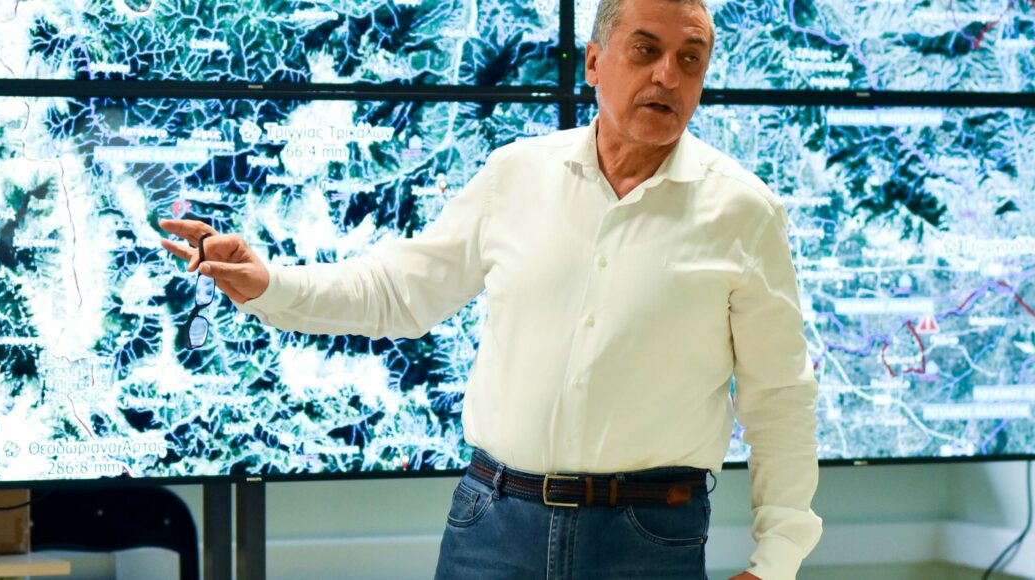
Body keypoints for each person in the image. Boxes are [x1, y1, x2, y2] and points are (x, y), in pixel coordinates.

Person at [160, 0, 822, 576]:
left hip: (647, 540)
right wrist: (269, 284)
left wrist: (777, 562)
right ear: (594, 62)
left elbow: (780, 397)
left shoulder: (744, 213)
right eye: (646, 50)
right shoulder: (516, 175)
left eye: (690, 59)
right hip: (493, 526)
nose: (667, 76)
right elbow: (399, 292)